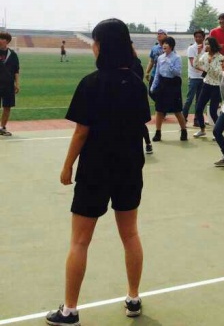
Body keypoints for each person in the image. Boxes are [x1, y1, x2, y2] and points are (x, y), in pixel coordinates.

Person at [45, 18, 150, 325]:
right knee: (130, 234)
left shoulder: (91, 83)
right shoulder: (136, 84)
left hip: (95, 169)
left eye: (95, 42)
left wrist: (68, 165)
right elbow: (138, 125)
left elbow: (82, 132)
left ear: (102, 46)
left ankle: (70, 310)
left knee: (79, 241)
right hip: (129, 168)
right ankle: (133, 298)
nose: (93, 46)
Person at [150, 37, 188, 142]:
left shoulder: (177, 57)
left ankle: (183, 130)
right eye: (163, 44)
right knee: (159, 110)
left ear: (171, 46)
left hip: (173, 84)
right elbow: (157, 73)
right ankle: (158, 132)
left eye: (166, 43)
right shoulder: (160, 58)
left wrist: (169, 62)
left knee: (177, 110)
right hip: (162, 84)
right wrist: (153, 86)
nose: (164, 45)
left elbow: (177, 72)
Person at [193, 37, 223, 138]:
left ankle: (218, 132)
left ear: (213, 45)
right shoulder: (205, 55)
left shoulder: (220, 58)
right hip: (206, 85)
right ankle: (202, 130)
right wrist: (198, 53)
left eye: (208, 44)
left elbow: (218, 73)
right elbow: (195, 64)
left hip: (216, 86)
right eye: (205, 44)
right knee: (198, 109)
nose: (206, 46)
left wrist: (208, 65)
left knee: (213, 111)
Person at [130, 42, 153, 155]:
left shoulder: (135, 63)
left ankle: (148, 143)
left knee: (139, 122)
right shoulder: (121, 62)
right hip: (129, 94)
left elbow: (137, 80)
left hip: (135, 95)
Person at [182, 30, 205, 126]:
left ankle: (197, 120)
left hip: (203, 78)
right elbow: (193, 64)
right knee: (189, 99)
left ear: (203, 38)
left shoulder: (206, 48)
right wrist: (206, 70)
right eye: (196, 37)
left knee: (199, 100)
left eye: (200, 37)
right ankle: (183, 119)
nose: (198, 38)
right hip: (193, 77)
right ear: (194, 38)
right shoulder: (191, 48)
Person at [0, 32, 19, 137]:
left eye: (2, 38)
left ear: (7, 41)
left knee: (7, 107)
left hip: (8, 85)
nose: (0, 40)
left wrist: (17, 84)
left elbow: (16, 70)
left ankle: (2, 128)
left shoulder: (12, 54)